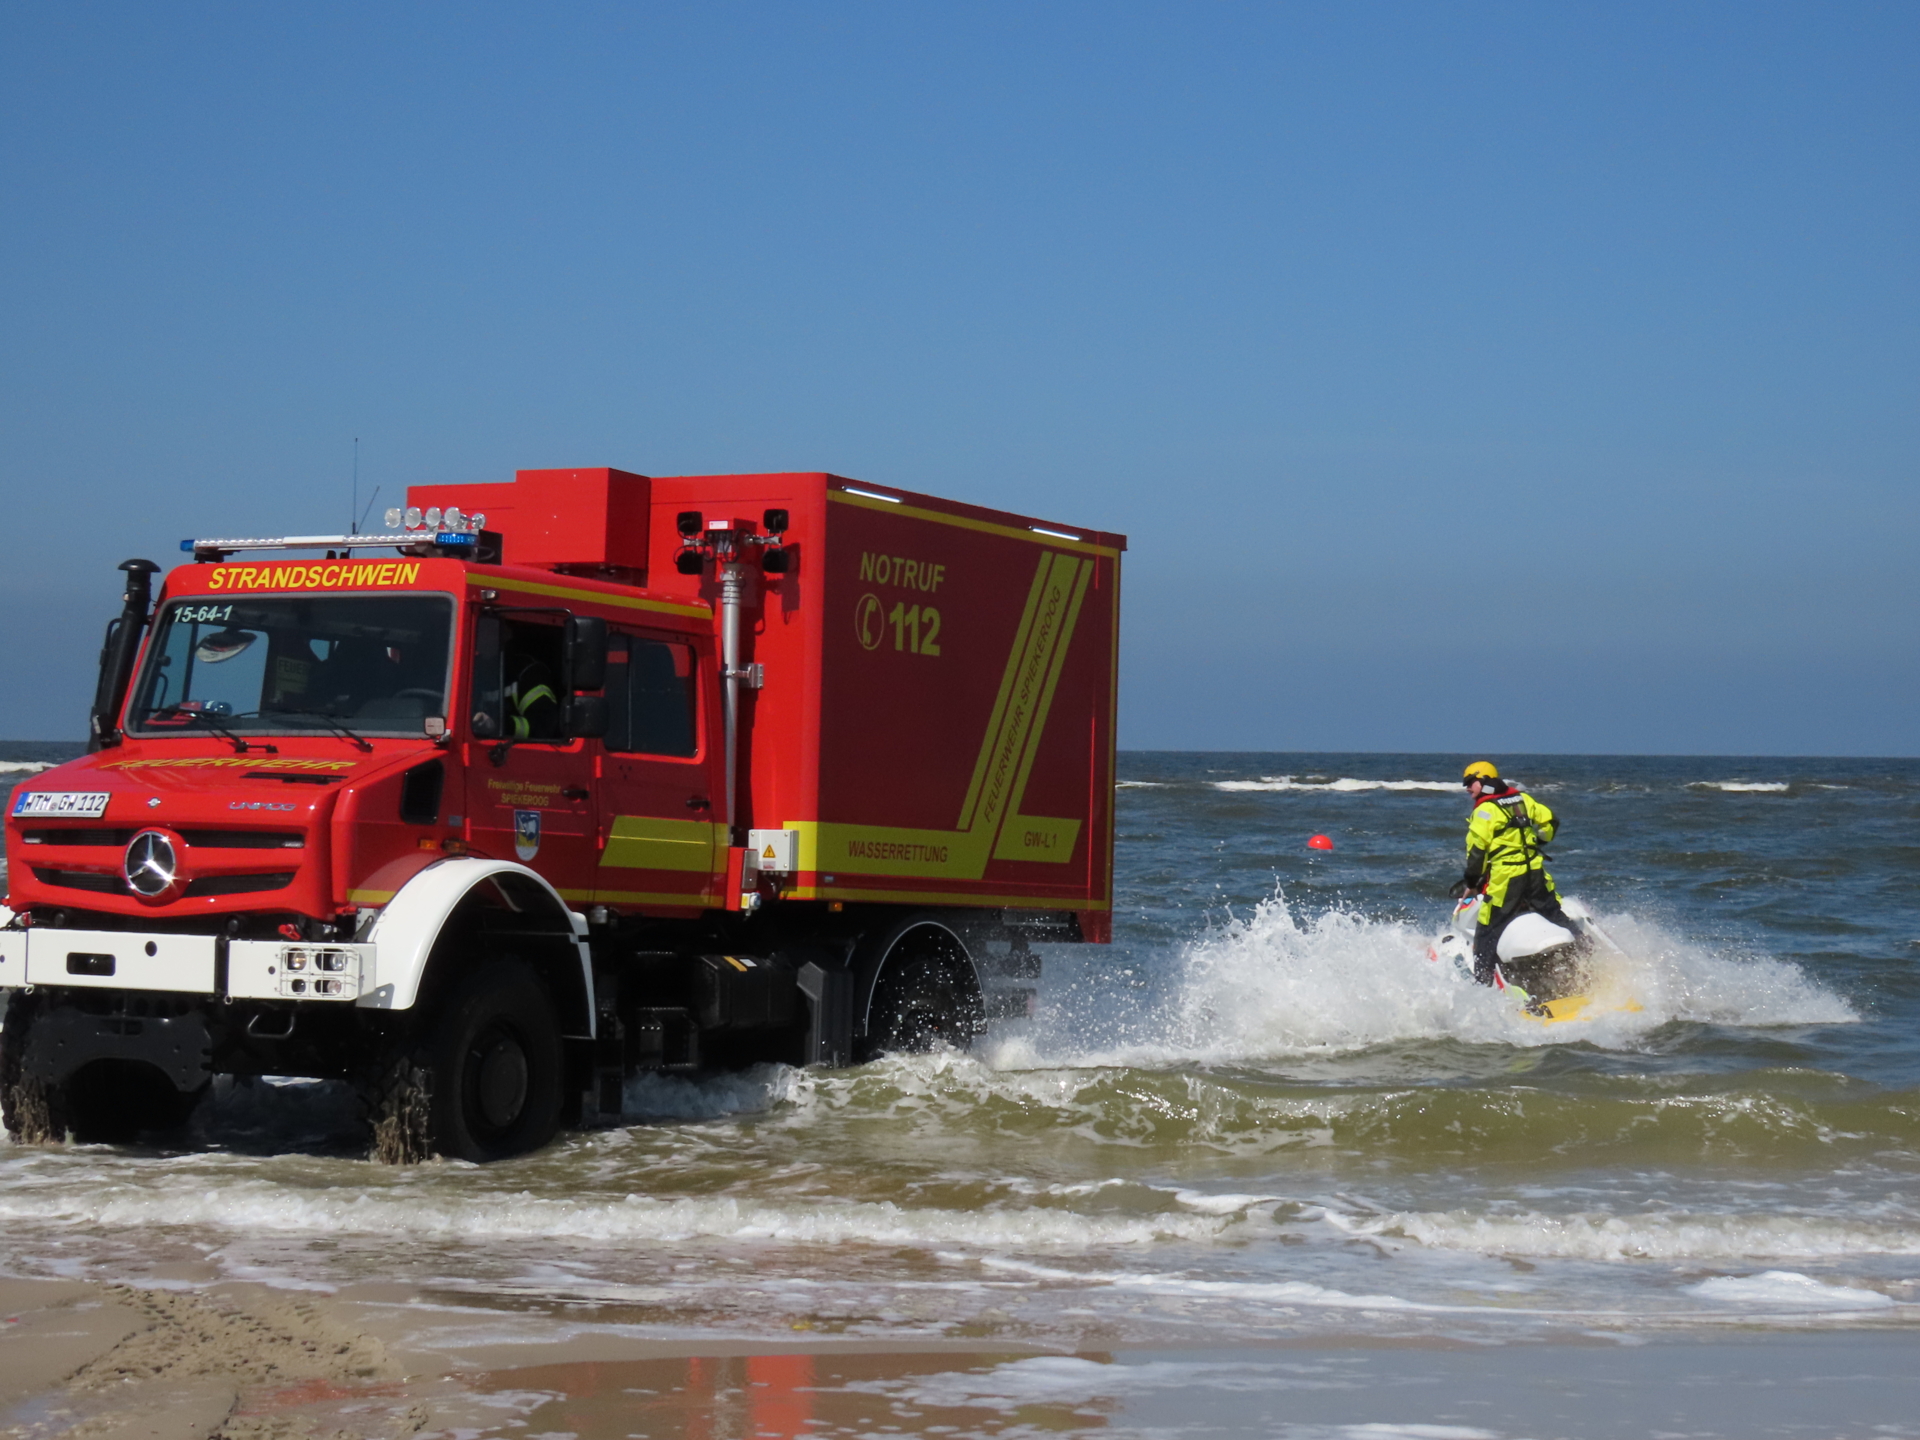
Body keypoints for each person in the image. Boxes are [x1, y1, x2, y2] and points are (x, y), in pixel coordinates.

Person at [1448, 760, 1574, 984]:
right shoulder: (1521, 799)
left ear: (1483, 780)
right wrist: (1538, 842)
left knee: (1486, 930)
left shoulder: (1485, 811)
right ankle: (1590, 958)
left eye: (1470, 782)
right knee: (1556, 916)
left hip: (1506, 880)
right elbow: (1551, 821)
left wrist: (1471, 881)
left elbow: (1477, 853)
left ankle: (1483, 987)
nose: (1467, 788)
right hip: (1535, 874)